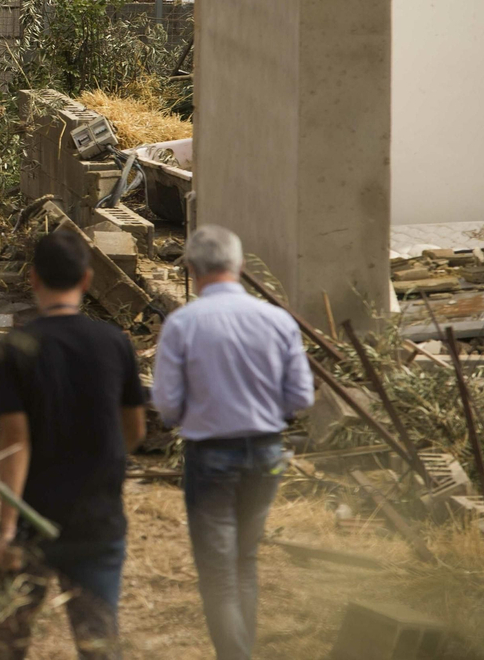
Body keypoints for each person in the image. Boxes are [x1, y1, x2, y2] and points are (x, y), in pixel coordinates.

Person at [151, 225, 314, 660]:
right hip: (266, 453)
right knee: (245, 561)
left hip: (211, 456)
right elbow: (301, 397)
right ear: (239, 265)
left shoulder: (182, 323)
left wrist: (201, 410)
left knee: (219, 573)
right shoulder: (277, 319)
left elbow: (166, 405)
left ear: (191, 267)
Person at [0, 228, 148, 660]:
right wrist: (102, 463)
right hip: (98, 520)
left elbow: (15, 444)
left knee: (6, 641)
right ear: (88, 280)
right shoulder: (115, 343)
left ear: (34, 278)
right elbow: (134, 430)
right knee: (99, 644)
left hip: (33, 524)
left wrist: (6, 532)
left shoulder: (15, 349)